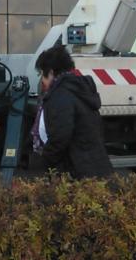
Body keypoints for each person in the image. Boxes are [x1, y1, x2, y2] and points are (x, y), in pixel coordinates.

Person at [31, 44, 113, 179]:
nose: (42, 81)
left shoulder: (60, 96)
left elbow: (60, 137)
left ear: (51, 72)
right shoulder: (78, 89)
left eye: (41, 74)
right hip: (94, 166)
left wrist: (46, 160)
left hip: (77, 171)